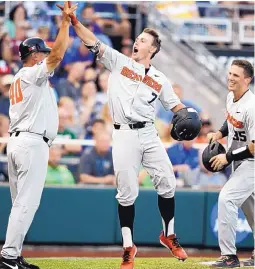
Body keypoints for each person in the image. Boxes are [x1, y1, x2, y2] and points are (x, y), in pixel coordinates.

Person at [57, 5, 192, 268]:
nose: (137, 42)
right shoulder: (118, 61)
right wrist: (73, 20)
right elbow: (91, 40)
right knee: (127, 193)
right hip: (124, 135)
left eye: (143, 40)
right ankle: (128, 247)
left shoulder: (160, 79)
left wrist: (189, 113)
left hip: (148, 133)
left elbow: (176, 106)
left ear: (152, 49)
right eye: (138, 39)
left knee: (168, 183)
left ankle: (169, 235)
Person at [0, 2, 78, 269]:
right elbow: (57, 55)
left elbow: (54, 56)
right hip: (31, 142)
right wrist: (65, 23)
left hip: (20, 141)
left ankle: (14, 254)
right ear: (33, 55)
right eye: (42, 52)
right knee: (25, 204)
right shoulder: (32, 74)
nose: (46, 56)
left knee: (19, 205)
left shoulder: (23, 76)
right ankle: (9, 256)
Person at [207, 60, 254, 268]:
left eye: (236, 75)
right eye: (230, 73)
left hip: (251, 162)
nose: (231, 78)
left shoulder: (252, 107)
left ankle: (229, 256)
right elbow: (231, 120)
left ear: (247, 79)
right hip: (239, 161)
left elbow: (254, 146)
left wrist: (227, 157)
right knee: (251, 209)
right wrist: (219, 133)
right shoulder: (231, 97)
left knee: (226, 199)